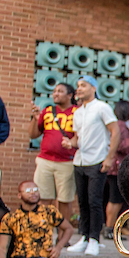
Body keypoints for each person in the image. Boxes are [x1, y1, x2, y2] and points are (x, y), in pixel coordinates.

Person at [64, 76, 120, 257]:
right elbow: (78, 138)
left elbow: (115, 132)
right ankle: (85, 237)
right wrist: (70, 143)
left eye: (83, 85)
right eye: (78, 85)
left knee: (94, 201)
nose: (79, 89)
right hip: (79, 160)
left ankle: (95, 239)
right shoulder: (78, 112)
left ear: (93, 88)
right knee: (82, 202)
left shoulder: (102, 107)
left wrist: (109, 157)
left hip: (97, 160)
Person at [29, 82, 77, 224]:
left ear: (70, 95)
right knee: (43, 198)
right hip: (45, 161)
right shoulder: (48, 111)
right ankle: (44, 232)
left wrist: (71, 143)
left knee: (64, 200)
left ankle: (63, 236)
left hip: (66, 162)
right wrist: (35, 118)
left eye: (60, 91)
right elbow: (33, 135)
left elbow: (81, 135)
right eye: (55, 91)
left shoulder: (77, 112)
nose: (55, 94)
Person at [105, 101, 129, 258]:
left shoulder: (126, 125)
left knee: (119, 199)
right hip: (117, 167)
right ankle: (109, 228)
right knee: (114, 199)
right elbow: (119, 145)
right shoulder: (119, 125)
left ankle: (114, 227)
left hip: (122, 167)